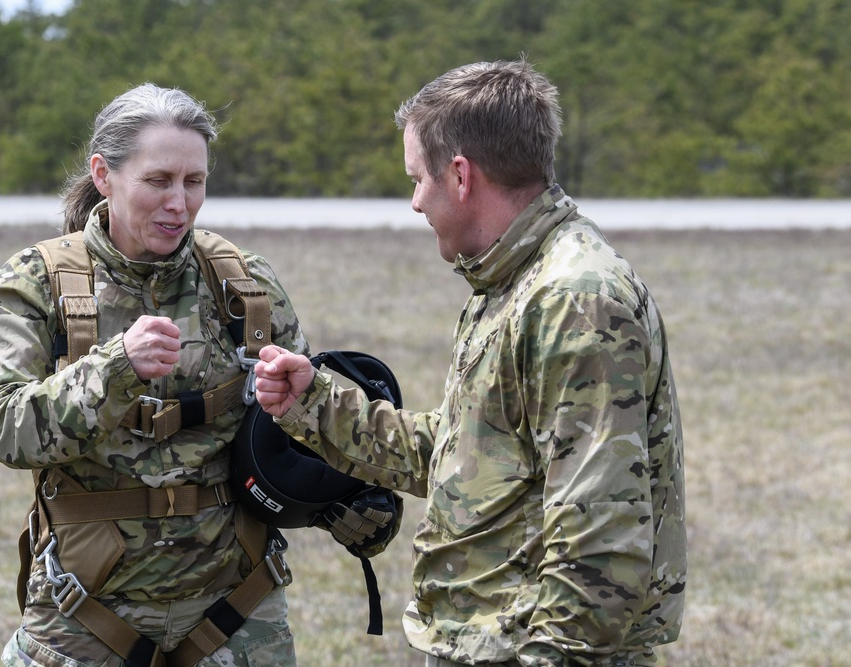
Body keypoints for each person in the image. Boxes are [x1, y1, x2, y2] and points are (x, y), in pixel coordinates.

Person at [254, 58, 687, 667]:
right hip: (488, 641)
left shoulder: (572, 299)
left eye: (417, 179)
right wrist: (314, 404)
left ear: (460, 175)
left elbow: (600, 533)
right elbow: (469, 461)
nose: (413, 202)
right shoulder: (511, 283)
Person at [0, 83, 396, 667]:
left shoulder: (244, 285)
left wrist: (351, 492)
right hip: (84, 614)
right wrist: (114, 371)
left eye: (195, 182)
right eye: (158, 180)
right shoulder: (36, 284)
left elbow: (305, 428)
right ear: (103, 174)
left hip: (236, 613)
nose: (179, 203)